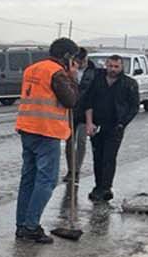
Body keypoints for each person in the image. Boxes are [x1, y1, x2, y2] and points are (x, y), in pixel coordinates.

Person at [14, 37, 83, 244]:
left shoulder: (32, 69)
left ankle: (22, 225)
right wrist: (72, 77)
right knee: (46, 180)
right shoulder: (57, 73)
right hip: (47, 131)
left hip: (27, 128)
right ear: (67, 57)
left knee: (28, 179)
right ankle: (31, 226)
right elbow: (71, 100)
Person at [83, 53, 139, 201]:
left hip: (115, 127)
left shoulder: (129, 84)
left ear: (121, 67)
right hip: (97, 125)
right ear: (106, 65)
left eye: (116, 66)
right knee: (98, 157)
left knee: (109, 157)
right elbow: (88, 102)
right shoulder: (97, 81)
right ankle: (98, 186)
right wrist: (89, 123)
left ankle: (106, 188)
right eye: (110, 66)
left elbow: (134, 107)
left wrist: (123, 123)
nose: (113, 69)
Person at [64, 49, 95, 182]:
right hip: (71, 111)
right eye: (78, 61)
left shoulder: (93, 72)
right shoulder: (69, 71)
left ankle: (77, 170)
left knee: (81, 141)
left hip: (86, 112)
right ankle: (70, 169)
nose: (81, 63)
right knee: (69, 141)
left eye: (83, 61)